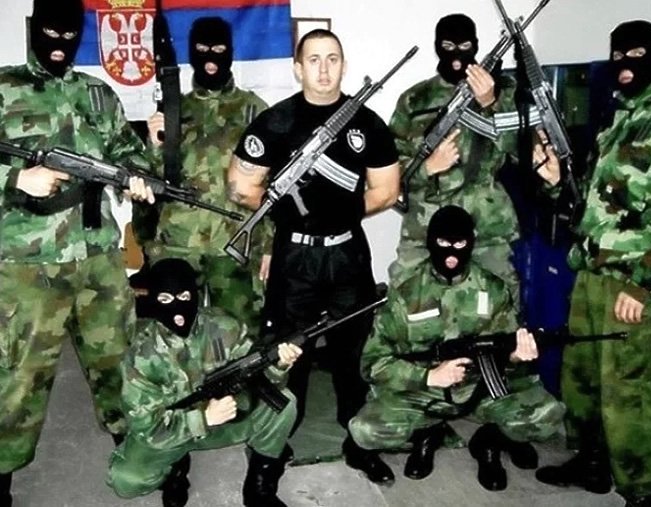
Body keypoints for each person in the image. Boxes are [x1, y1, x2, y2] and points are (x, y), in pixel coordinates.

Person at [227, 29, 400, 481]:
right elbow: (240, 186)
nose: (324, 69)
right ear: (297, 68)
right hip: (295, 257)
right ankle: (273, 446)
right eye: (314, 59)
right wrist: (289, 210)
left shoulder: (367, 123)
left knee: (353, 355)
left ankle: (359, 442)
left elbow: (387, 189)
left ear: (344, 65)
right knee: (287, 354)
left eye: (333, 59)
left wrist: (342, 211)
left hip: (347, 253)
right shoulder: (275, 122)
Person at [0, 0, 153, 504]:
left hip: (98, 257)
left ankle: (135, 451)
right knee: (19, 378)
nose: (60, 44)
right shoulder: (4, 88)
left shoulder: (97, 93)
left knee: (119, 363)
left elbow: (126, 152)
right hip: (27, 266)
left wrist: (137, 176)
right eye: (51, 32)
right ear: (33, 30)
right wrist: (15, 178)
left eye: (70, 34)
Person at [533, 20, 651, 507]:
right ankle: (590, 464)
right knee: (583, 381)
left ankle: (640, 492)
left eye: (636, 54)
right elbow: (593, 206)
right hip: (590, 275)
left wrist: (646, 285)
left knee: (629, 396)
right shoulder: (617, 120)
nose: (624, 65)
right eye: (617, 56)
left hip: (631, 283)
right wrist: (555, 179)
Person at [349, 205, 565, 488]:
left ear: (471, 243)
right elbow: (372, 363)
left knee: (548, 414)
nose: (451, 253)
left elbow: (507, 345)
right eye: (443, 242)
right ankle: (427, 434)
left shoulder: (492, 289)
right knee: (365, 431)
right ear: (430, 242)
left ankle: (489, 440)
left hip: (481, 387)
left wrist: (516, 356)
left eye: (460, 244)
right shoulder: (406, 293)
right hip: (423, 390)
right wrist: (428, 376)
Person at [107, 258, 301, 507]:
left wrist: (278, 365)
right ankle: (175, 471)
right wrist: (203, 419)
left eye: (184, 296)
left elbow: (258, 378)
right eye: (165, 299)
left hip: (227, 419)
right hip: (172, 430)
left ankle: (259, 487)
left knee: (284, 404)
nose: (177, 308)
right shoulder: (141, 354)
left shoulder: (224, 326)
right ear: (153, 300)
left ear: (196, 296)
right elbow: (146, 427)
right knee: (125, 481)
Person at [139, 17, 271, 326]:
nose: (210, 58)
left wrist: (270, 245)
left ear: (230, 52)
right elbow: (150, 182)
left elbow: (273, 185)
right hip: (179, 243)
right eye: (201, 49)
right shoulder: (175, 109)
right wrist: (154, 145)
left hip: (236, 244)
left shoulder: (254, 110)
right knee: (176, 332)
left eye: (219, 49)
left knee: (242, 332)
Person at [388, 14, 519, 298]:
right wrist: (427, 167)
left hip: (486, 225)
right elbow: (387, 168)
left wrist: (491, 103)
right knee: (406, 297)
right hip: (425, 223)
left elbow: (522, 152)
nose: (456, 55)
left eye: (464, 46)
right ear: (437, 46)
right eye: (447, 46)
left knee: (499, 298)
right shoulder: (414, 99)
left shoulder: (505, 93)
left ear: (476, 46)